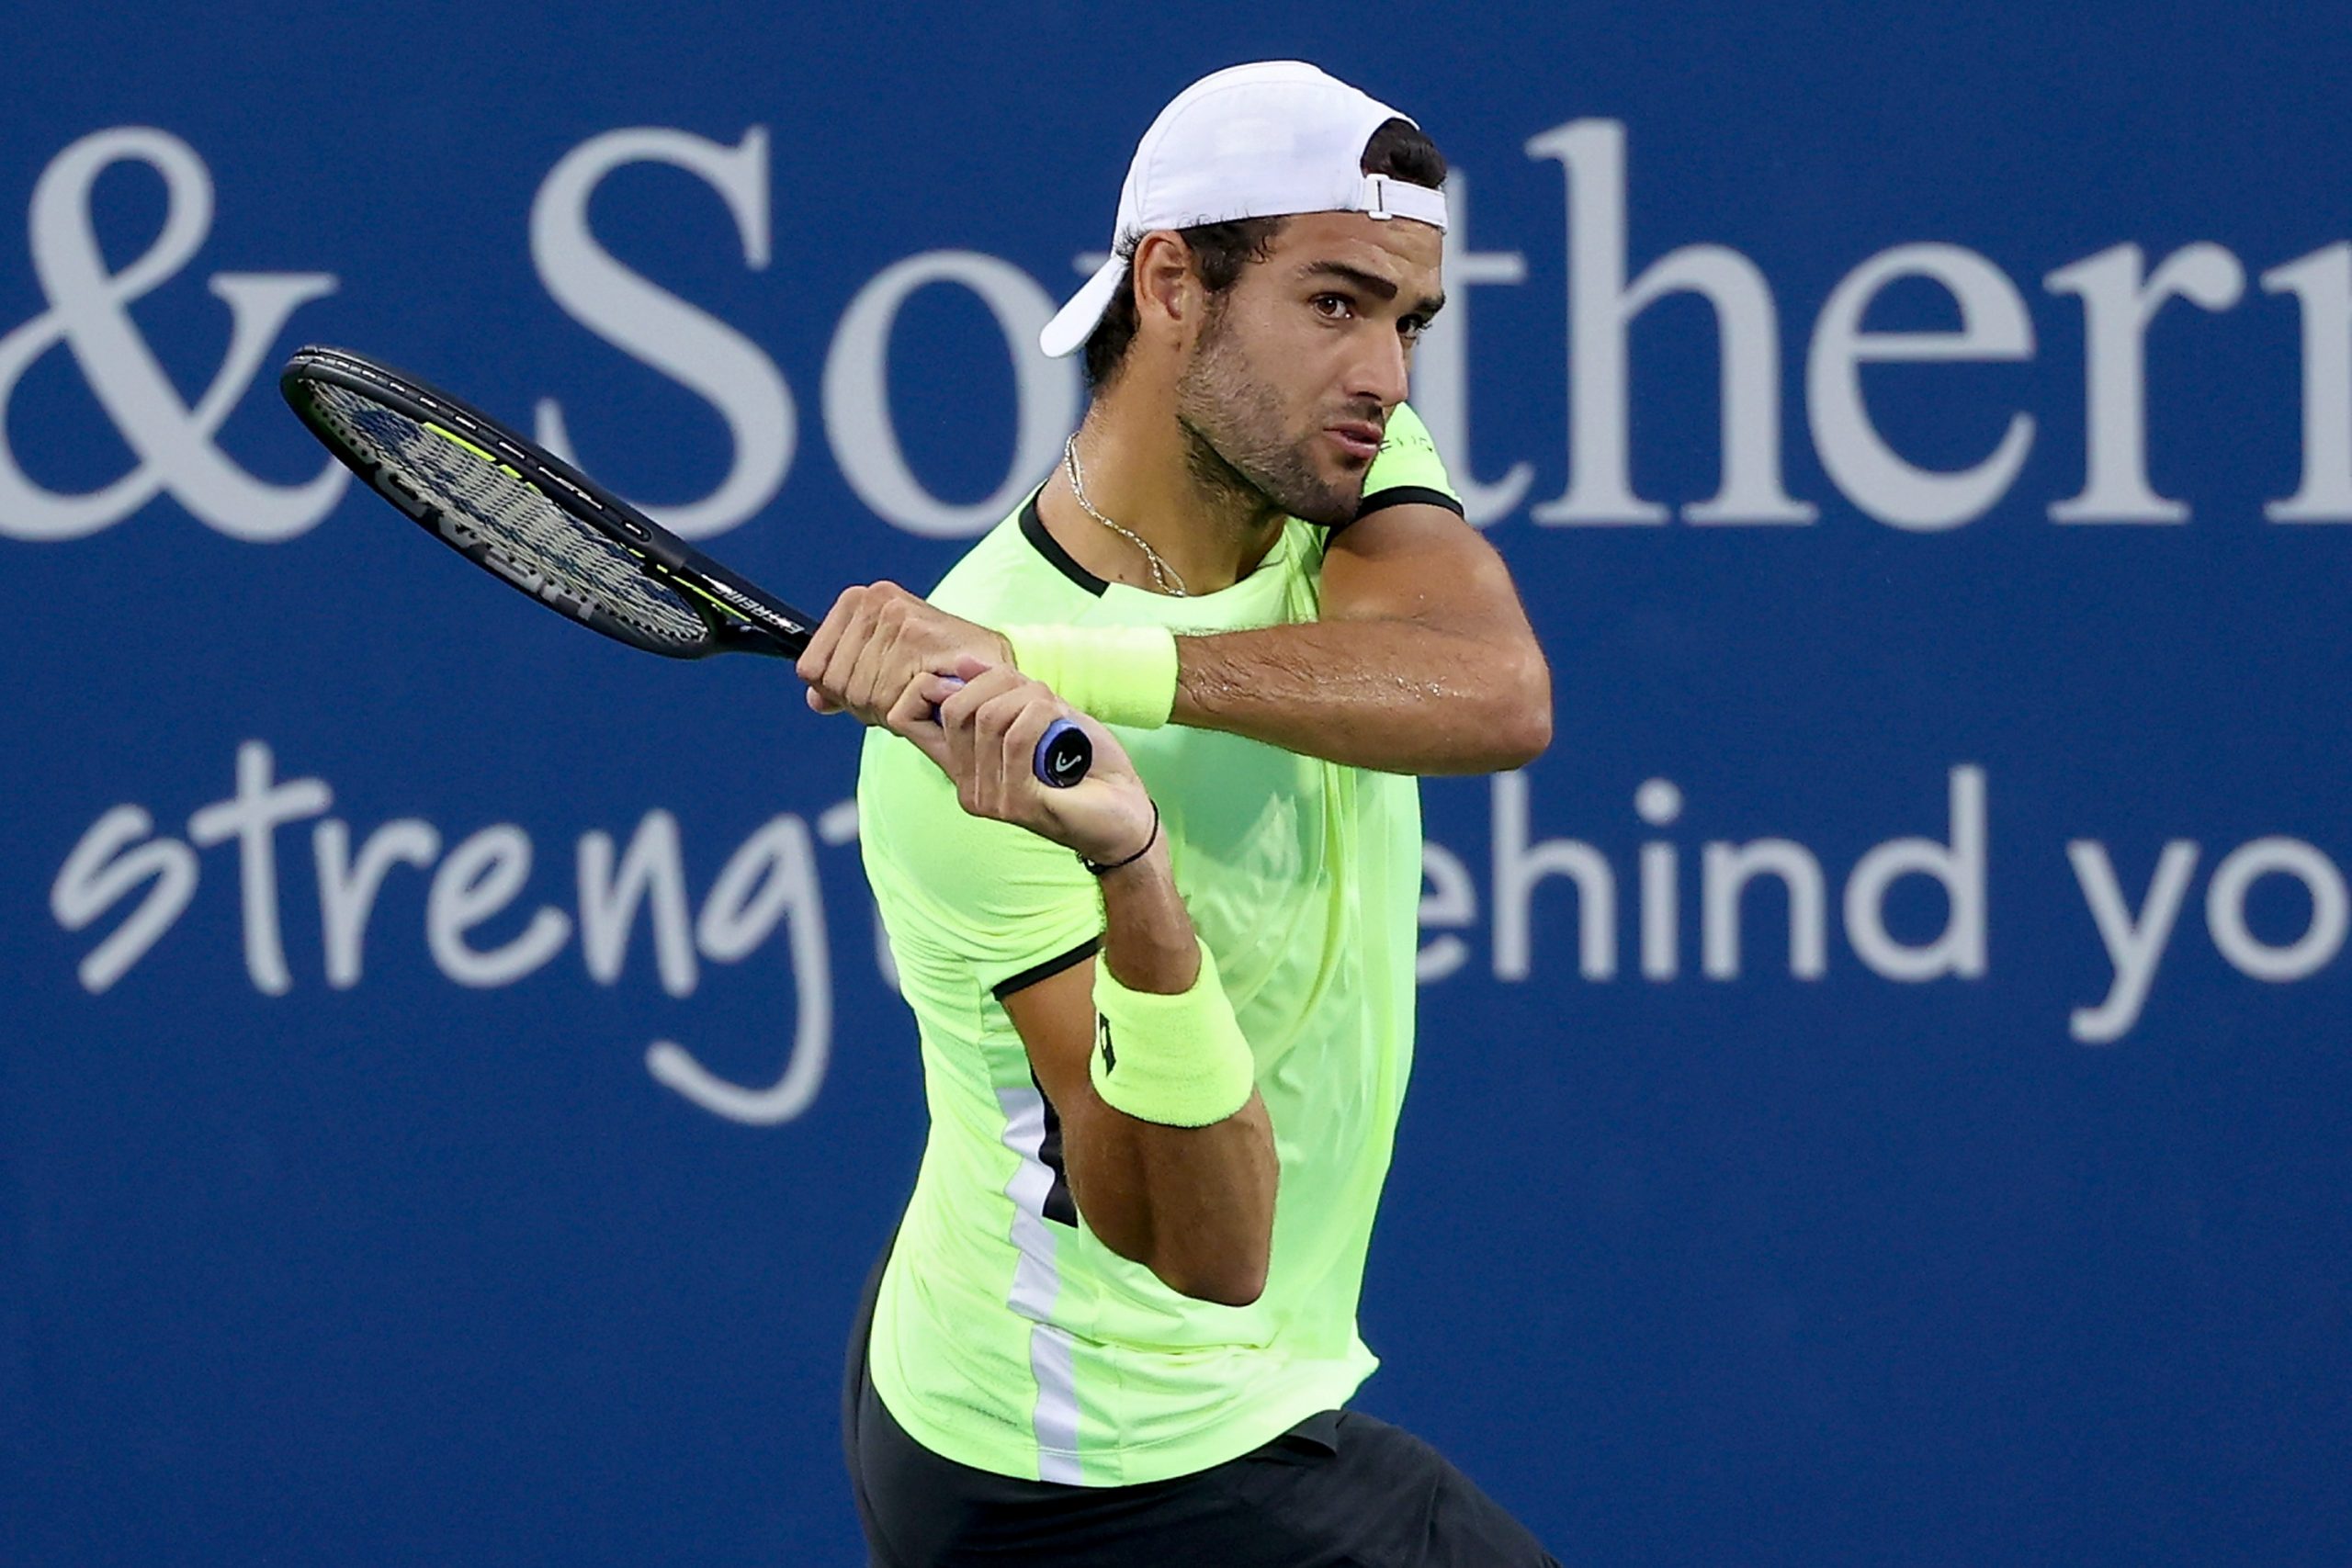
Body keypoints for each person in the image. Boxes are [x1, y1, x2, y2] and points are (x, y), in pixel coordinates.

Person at [797, 61, 1557, 1567]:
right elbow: (1204, 1248)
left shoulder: (1335, 457)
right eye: (1335, 303)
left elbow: (1493, 695)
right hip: (1085, 1467)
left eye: (1410, 322)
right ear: (1170, 285)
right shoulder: (948, 771)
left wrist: (1074, 669)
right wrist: (1134, 862)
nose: (1388, 378)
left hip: (1212, 1393)